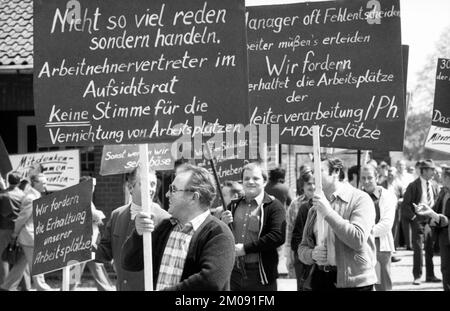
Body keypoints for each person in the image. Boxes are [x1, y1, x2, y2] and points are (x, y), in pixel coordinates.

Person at [122, 164, 235, 290]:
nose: (166, 194)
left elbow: (209, 282)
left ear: (194, 197)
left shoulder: (218, 234)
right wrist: (138, 234)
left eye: (173, 189)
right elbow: (130, 263)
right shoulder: (165, 227)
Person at [298, 157, 377, 291]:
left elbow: (357, 239)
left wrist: (328, 212)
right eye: (312, 171)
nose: (313, 176)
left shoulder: (360, 199)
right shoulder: (314, 208)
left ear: (335, 171)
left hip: (355, 282)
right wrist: (312, 254)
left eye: (319, 170)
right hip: (321, 279)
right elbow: (302, 248)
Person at [95, 167, 170, 291]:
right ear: (130, 188)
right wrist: (82, 246)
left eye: (153, 184)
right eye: (145, 184)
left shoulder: (165, 219)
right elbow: (104, 252)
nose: (150, 189)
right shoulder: (117, 215)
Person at [221, 162, 286, 291]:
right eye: (246, 178)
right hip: (233, 272)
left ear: (265, 181)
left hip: (260, 274)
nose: (250, 182)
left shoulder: (274, 206)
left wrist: (245, 249)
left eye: (255, 178)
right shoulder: (233, 205)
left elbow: (277, 236)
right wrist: (222, 223)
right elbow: (220, 236)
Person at [1, 173, 54, 291]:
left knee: (20, 265)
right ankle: (43, 287)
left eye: (46, 182)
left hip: (29, 236)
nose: (46, 185)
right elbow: (22, 218)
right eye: (43, 183)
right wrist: (15, 233)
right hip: (30, 236)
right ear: (35, 184)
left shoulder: (35, 195)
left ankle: (6, 286)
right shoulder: (31, 198)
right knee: (37, 263)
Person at [70, 176, 114, 291]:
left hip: (89, 240)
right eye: (91, 186)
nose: (93, 188)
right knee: (77, 269)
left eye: (94, 186)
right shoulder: (80, 198)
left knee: (96, 265)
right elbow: (92, 216)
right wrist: (96, 216)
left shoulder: (84, 198)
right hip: (83, 241)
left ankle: (106, 289)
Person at [402, 159, 440, 285]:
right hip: (417, 220)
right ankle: (417, 276)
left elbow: (437, 204)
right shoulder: (413, 185)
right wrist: (413, 218)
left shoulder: (434, 185)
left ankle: (430, 275)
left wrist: (435, 218)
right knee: (418, 249)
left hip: (430, 220)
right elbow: (405, 205)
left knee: (430, 248)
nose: (433, 172)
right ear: (423, 171)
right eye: (431, 170)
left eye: (434, 169)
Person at [360, 165, 396, 291]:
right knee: (363, 285)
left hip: (380, 247)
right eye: (363, 178)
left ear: (377, 177)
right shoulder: (357, 196)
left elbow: (386, 224)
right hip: (361, 248)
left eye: (370, 177)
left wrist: (362, 233)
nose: (366, 181)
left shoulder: (387, 196)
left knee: (382, 286)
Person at [415, 164, 450, 291]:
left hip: (446, 230)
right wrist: (430, 218)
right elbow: (437, 209)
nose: (438, 176)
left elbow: (446, 219)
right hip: (443, 235)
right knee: (445, 268)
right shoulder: (443, 192)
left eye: (442, 175)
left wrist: (431, 215)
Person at [285, 166, 313, 279]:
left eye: (315, 183)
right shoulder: (295, 204)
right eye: (309, 183)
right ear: (303, 186)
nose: (312, 186)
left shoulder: (326, 203)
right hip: (299, 252)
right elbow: (289, 229)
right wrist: (288, 254)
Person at [0, 172, 24, 284]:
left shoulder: (2, 195)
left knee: (3, 257)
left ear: (8, 181)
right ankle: (26, 285)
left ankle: (4, 284)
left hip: (4, 229)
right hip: (20, 229)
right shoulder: (24, 195)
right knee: (22, 257)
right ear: (19, 182)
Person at [397, 159, 415, 251]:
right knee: (400, 223)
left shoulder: (409, 176)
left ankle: (409, 244)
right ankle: (401, 242)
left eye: (402, 165)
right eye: (399, 165)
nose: (401, 167)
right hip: (399, 201)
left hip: (408, 201)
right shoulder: (395, 176)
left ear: (405, 166)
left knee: (408, 222)